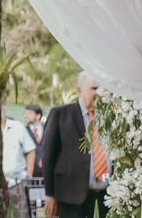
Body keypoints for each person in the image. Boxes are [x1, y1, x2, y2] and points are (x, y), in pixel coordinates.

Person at [42, 72, 110, 218]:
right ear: (79, 89)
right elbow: (48, 155)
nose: (98, 93)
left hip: (107, 195)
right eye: (94, 88)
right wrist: (49, 194)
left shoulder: (109, 117)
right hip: (71, 195)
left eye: (101, 89)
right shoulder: (60, 114)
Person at [2, 111, 37, 216]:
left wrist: (29, 174)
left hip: (18, 183)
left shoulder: (17, 126)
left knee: (22, 214)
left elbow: (30, 150)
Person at [24, 103, 45, 177]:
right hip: (31, 173)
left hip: (47, 172)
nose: (26, 116)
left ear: (38, 115)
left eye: (29, 113)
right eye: (25, 113)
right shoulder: (23, 131)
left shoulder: (48, 128)